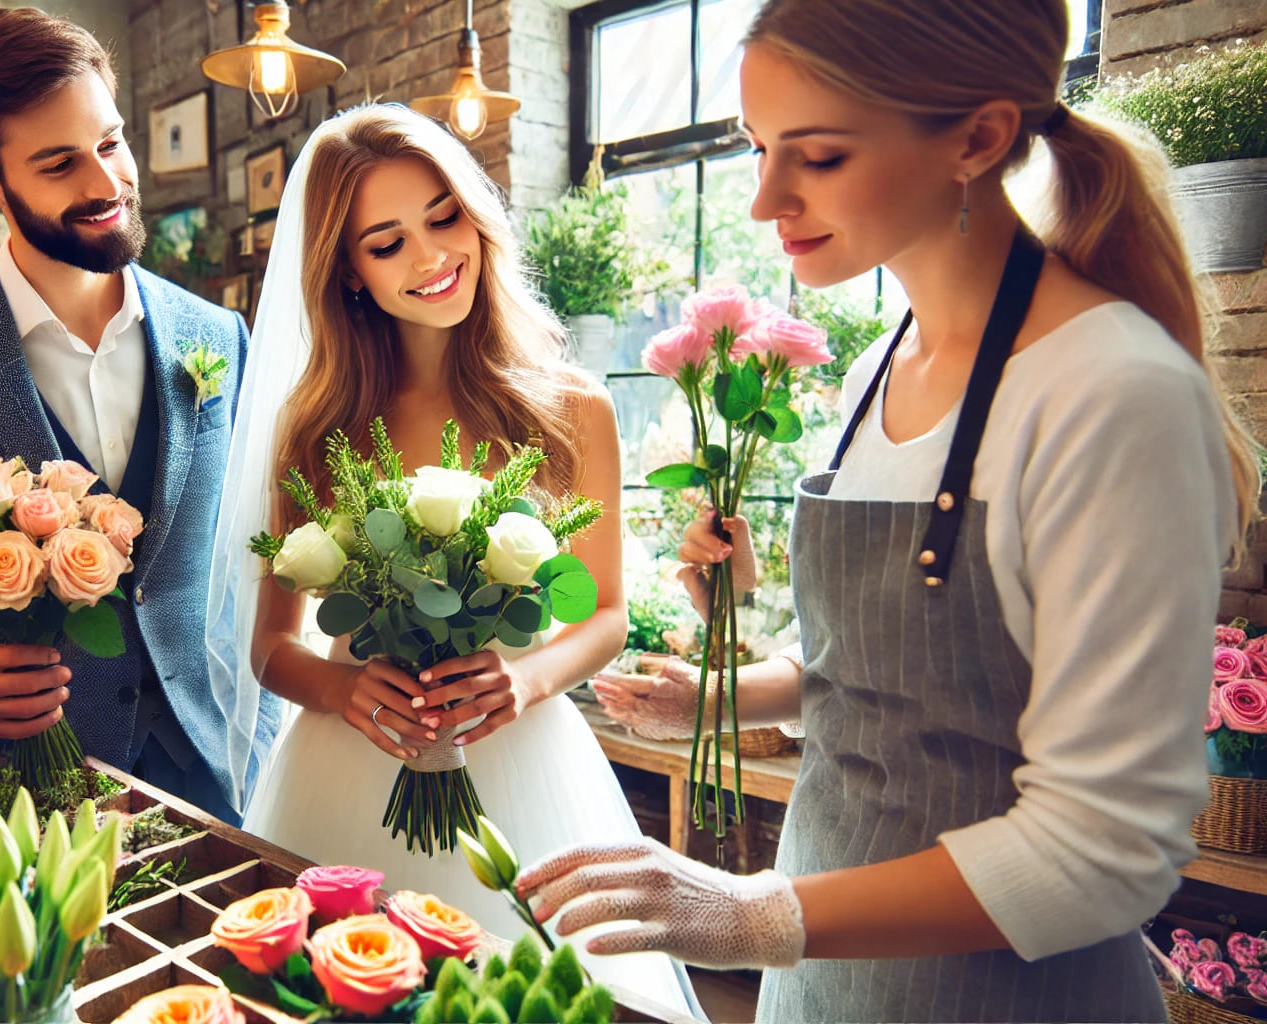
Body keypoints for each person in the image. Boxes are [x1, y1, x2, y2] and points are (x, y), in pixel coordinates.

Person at [517, 1, 1260, 1020]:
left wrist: (744, 914)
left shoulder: (1112, 390)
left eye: (816, 156)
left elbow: (1105, 849)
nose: (762, 199)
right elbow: (876, 679)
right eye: (759, 148)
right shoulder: (876, 368)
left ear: (978, 137)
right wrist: (724, 692)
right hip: (822, 977)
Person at [205, 104, 701, 1019]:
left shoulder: (570, 407)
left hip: (520, 756)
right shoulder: (315, 428)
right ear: (348, 273)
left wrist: (522, 677)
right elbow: (271, 646)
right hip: (351, 759)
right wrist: (341, 689)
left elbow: (604, 615)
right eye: (387, 244)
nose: (433, 258)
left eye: (444, 216)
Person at [0, 8, 279, 825]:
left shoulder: (223, 338)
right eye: (59, 163)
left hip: (233, 762)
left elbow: (259, 545)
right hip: (39, 786)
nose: (105, 185)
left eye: (110, 144)